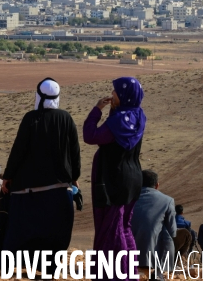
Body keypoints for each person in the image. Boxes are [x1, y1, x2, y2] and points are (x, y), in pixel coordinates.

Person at [0, 78, 80, 267]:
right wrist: (74, 178)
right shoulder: (66, 118)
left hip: (28, 190)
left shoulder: (30, 118)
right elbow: (75, 152)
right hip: (59, 189)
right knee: (55, 233)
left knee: (24, 230)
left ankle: (17, 265)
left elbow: (18, 151)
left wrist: (8, 177)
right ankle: (48, 268)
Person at [83, 76, 146, 279]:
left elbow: (90, 136)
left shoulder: (118, 122)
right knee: (124, 226)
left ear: (125, 95)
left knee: (112, 229)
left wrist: (96, 110)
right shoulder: (138, 116)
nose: (112, 95)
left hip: (113, 180)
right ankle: (129, 271)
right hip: (132, 178)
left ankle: (114, 275)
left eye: (116, 92)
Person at [132, 170, 177, 277]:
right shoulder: (167, 200)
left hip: (128, 251)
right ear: (157, 185)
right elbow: (172, 231)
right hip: (152, 252)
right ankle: (157, 274)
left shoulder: (128, 199)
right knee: (165, 230)